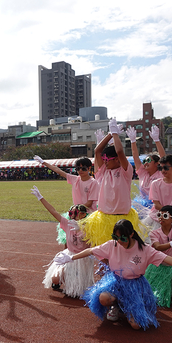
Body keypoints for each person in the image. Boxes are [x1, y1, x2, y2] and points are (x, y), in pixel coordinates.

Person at [54, 219, 172, 330]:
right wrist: (71, 257)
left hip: (135, 286)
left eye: (122, 237)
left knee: (137, 326)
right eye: (115, 237)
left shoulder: (145, 250)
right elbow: (91, 250)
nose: (118, 241)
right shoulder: (112, 244)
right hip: (115, 282)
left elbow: (168, 259)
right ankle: (115, 305)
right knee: (103, 298)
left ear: (130, 235)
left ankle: (129, 307)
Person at [82, 119, 146, 247]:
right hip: (104, 217)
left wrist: (116, 134)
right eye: (103, 159)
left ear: (117, 159)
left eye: (108, 159)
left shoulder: (125, 171)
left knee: (124, 248)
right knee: (104, 249)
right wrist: (110, 134)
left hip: (123, 218)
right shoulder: (103, 172)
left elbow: (120, 151)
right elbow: (97, 151)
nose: (104, 161)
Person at [30, 186, 95, 298]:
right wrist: (41, 198)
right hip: (69, 255)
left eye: (75, 213)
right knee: (55, 278)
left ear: (83, 215)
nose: (71, 216)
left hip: (82, 258)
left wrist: (81, 228)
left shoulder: (90, 227)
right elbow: (53, 211)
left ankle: (75, 281)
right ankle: (62, 280)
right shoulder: (67, 223)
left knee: (77, 292)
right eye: (70, 213)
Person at [33, 155, 98, 212]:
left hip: (89, 213)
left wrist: (76, 208)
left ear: (89, 168)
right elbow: (58, 170)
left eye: (83, 168)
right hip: (77, 213)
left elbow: (89, 203)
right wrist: (43, 162)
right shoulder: (75, 179)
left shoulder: (93, 183)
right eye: (78, 168)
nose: (80, 170)